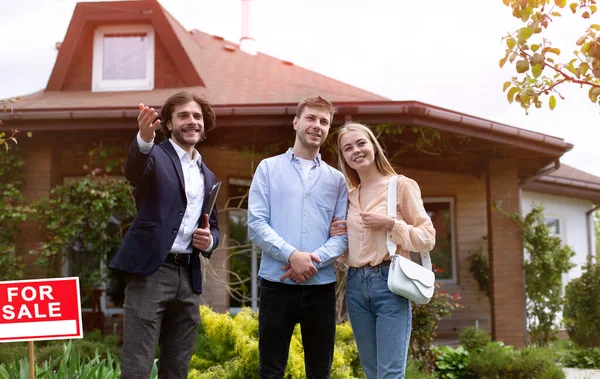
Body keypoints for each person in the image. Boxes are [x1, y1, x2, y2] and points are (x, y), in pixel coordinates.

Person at [108, 91, 220, 379]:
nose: (191, 121)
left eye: (197, 116)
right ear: (168, 124)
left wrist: (210, 240)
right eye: (183, 116)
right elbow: (133, 170)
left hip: (189, 276)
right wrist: (144, 139)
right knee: (137, 365)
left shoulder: (207, 174)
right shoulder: (155, 155)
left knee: (178, 366)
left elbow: (214, 226)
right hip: (151, 273)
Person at [248, 95, 349, 379]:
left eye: (324, 121)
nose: (317, 125)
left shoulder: (337, 180)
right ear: (296, 122)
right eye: (311, 118)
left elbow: (342, 236)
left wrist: (311, 261)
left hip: (321, 288)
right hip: (276, 285)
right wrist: (292, 255)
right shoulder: (268, 168)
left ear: (328, 129)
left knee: (320, 373)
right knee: (270, 371)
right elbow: (256, 223)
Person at [330, 123, 435, 379]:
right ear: (344, 157)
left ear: (373, 146)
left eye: (361, 143)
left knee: (389, 374)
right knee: (372, 372)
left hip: (390, 285)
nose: (356, 150)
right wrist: (338, 240)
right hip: (355, 285)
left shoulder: (400, 186)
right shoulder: (349, 196)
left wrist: (392, 224)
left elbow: (427, 237)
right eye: (348, 148)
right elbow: (354, 249)